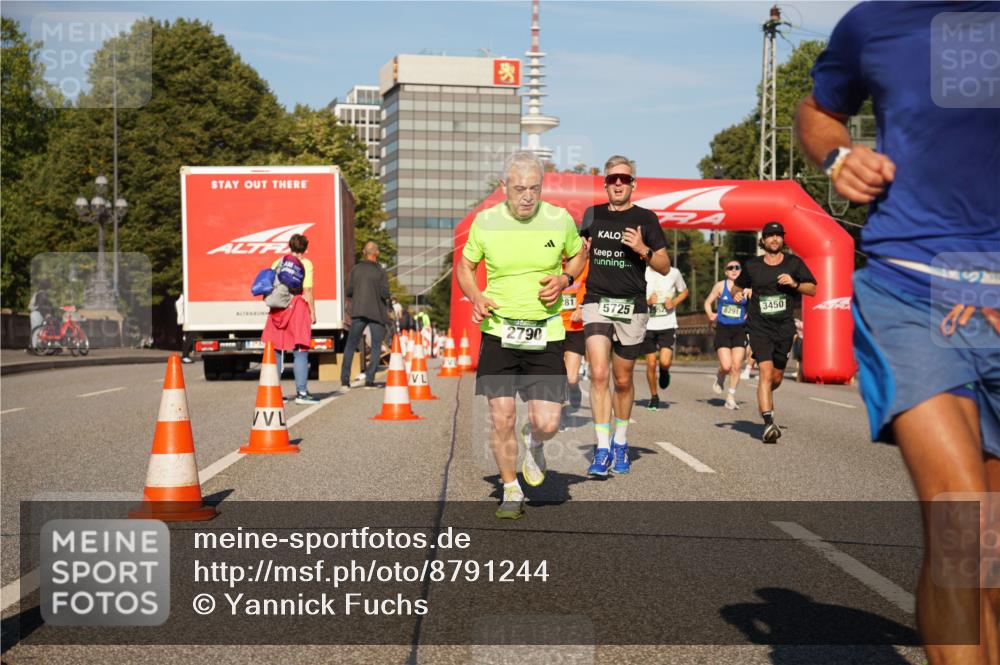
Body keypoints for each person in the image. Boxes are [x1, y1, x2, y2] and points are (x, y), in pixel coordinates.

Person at [797, 4, 1000, 662]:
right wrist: (836, 155)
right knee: (959, 520)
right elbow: (818, 109)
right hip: (911, 287)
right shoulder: (876, 21)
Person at [457, 151, 585, 519]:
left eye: (534, 188)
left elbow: (577, 256)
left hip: (545, 331)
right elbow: (466, 266)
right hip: (499, 330)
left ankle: (536, 444)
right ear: (503, 188)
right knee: (501, 416)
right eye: (519, 188)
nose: (527, 196)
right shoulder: (485, 223)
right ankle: (511, 488)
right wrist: (476, 295)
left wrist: (564, 278)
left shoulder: (559, 219)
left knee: (547, 422)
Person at [580, 155, 670, 476]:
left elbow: (663, 265)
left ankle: (621, 442)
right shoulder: (592, 215)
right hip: (596, 301)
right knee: (599, 374)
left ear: (633, 184)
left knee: (622, 379)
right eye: (612, 179)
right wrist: (565, 276)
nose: (618, 184)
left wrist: (643, 249)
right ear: (605, 184)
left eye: (624, 179)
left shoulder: (646, 218)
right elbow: (579, 261)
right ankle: (602, 448)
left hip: (632, 305)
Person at [731, 222, 816, 443]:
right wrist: (738, 295)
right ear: (763, 240)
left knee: (775, 377)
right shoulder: (752, 266)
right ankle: (768, 423)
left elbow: (813, 288)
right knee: (766, 374)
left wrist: (795, 283)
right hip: (759, 327)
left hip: (784, 328)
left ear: (782, 240)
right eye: (770, 235)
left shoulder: (793, 263)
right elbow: (736, 289)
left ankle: (766, 393)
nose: (775, 239)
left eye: (778, 235)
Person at [262, 233, 319, 404]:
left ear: (290, 246)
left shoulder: (277, 262)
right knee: (300, 350)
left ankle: (274, 393)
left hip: (278, 310)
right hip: (297, 307)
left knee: (277, 350)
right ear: (305, 248)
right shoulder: (305, 264)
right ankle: (301, 393)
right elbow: (307, 290)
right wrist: (313, 313)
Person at [341, 241, 391, 390]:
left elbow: (349, 291)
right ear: (377, 253)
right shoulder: (381, 271)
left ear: (364, 252)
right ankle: (370, 379)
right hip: (376, 312)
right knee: (376, 346)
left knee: (351, 345)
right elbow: (385, 293)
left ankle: (345, 380)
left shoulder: (356, 270)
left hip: (359, 311)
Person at [704, 261, 751, 409]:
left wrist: (749, 314)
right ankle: (720, 376)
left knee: (736, 366)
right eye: (730, 268)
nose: (734, 270)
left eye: (737, 267)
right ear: (726, 272)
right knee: (726, 366)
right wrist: (710, 313)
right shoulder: (720, 286)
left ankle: (730, 397)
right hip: (723, 329)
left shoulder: (747, 288)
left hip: (740, 330)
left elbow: (755, 306)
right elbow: (707, 302)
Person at [642, 264, 688, 410]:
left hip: (667, 324)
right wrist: (647, 302)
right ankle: (654, 397)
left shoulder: (674, 272)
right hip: (647, 325)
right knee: (650, 364)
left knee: (665, 361)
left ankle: (664, 371)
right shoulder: (642, 273)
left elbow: (685, 291)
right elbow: (633, 295)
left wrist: (674, 302)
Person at [560, 254, 590, 425]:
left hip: (575, 328)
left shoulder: (585, 265)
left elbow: (594, 288)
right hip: (553, 328)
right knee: (558, 376)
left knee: (571, 378)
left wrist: (583, 308)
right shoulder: (549, 265)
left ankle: (574, 388)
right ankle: (562, 415)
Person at [174, 294, 194, 364]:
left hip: (186, 319)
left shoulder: (184, 295)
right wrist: (181, 319)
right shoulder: (184, 295)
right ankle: (185, 356)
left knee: (187, 337)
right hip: (186, 320)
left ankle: (185, 355)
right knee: (188, 337)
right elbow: (179, 304)